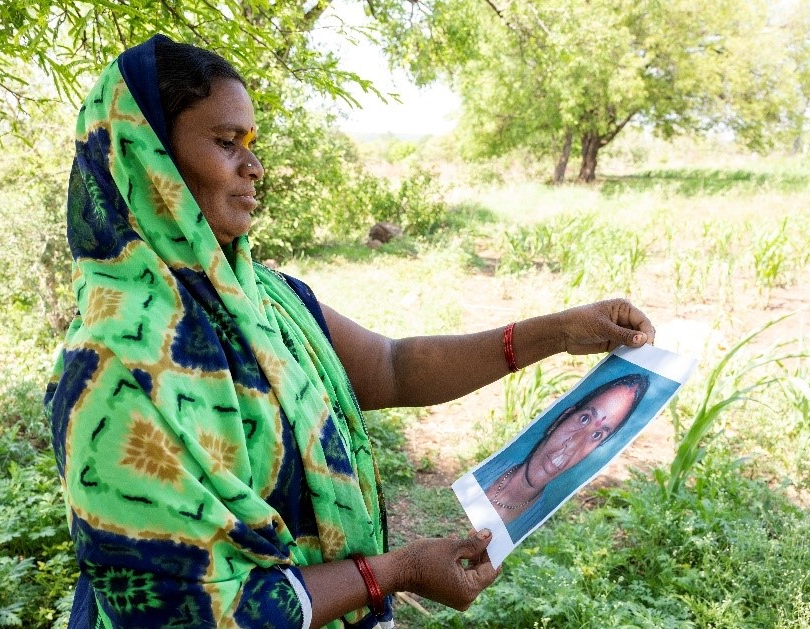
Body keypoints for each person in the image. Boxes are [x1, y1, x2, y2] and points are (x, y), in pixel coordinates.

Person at [44, 33, 657, 629]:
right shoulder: (113, 365)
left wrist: (559, 333)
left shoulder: (272, 302)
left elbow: (393, 366)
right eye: (228, 143)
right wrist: (392, 573)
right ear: (149, 160)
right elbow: (183, 612)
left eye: (252, 144)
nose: (255, 167)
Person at [482, 373, 650, 540]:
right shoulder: (481, 474)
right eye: (585, 419)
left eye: (597, 435)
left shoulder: (538, 534)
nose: (572, 445)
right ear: (559, 420)